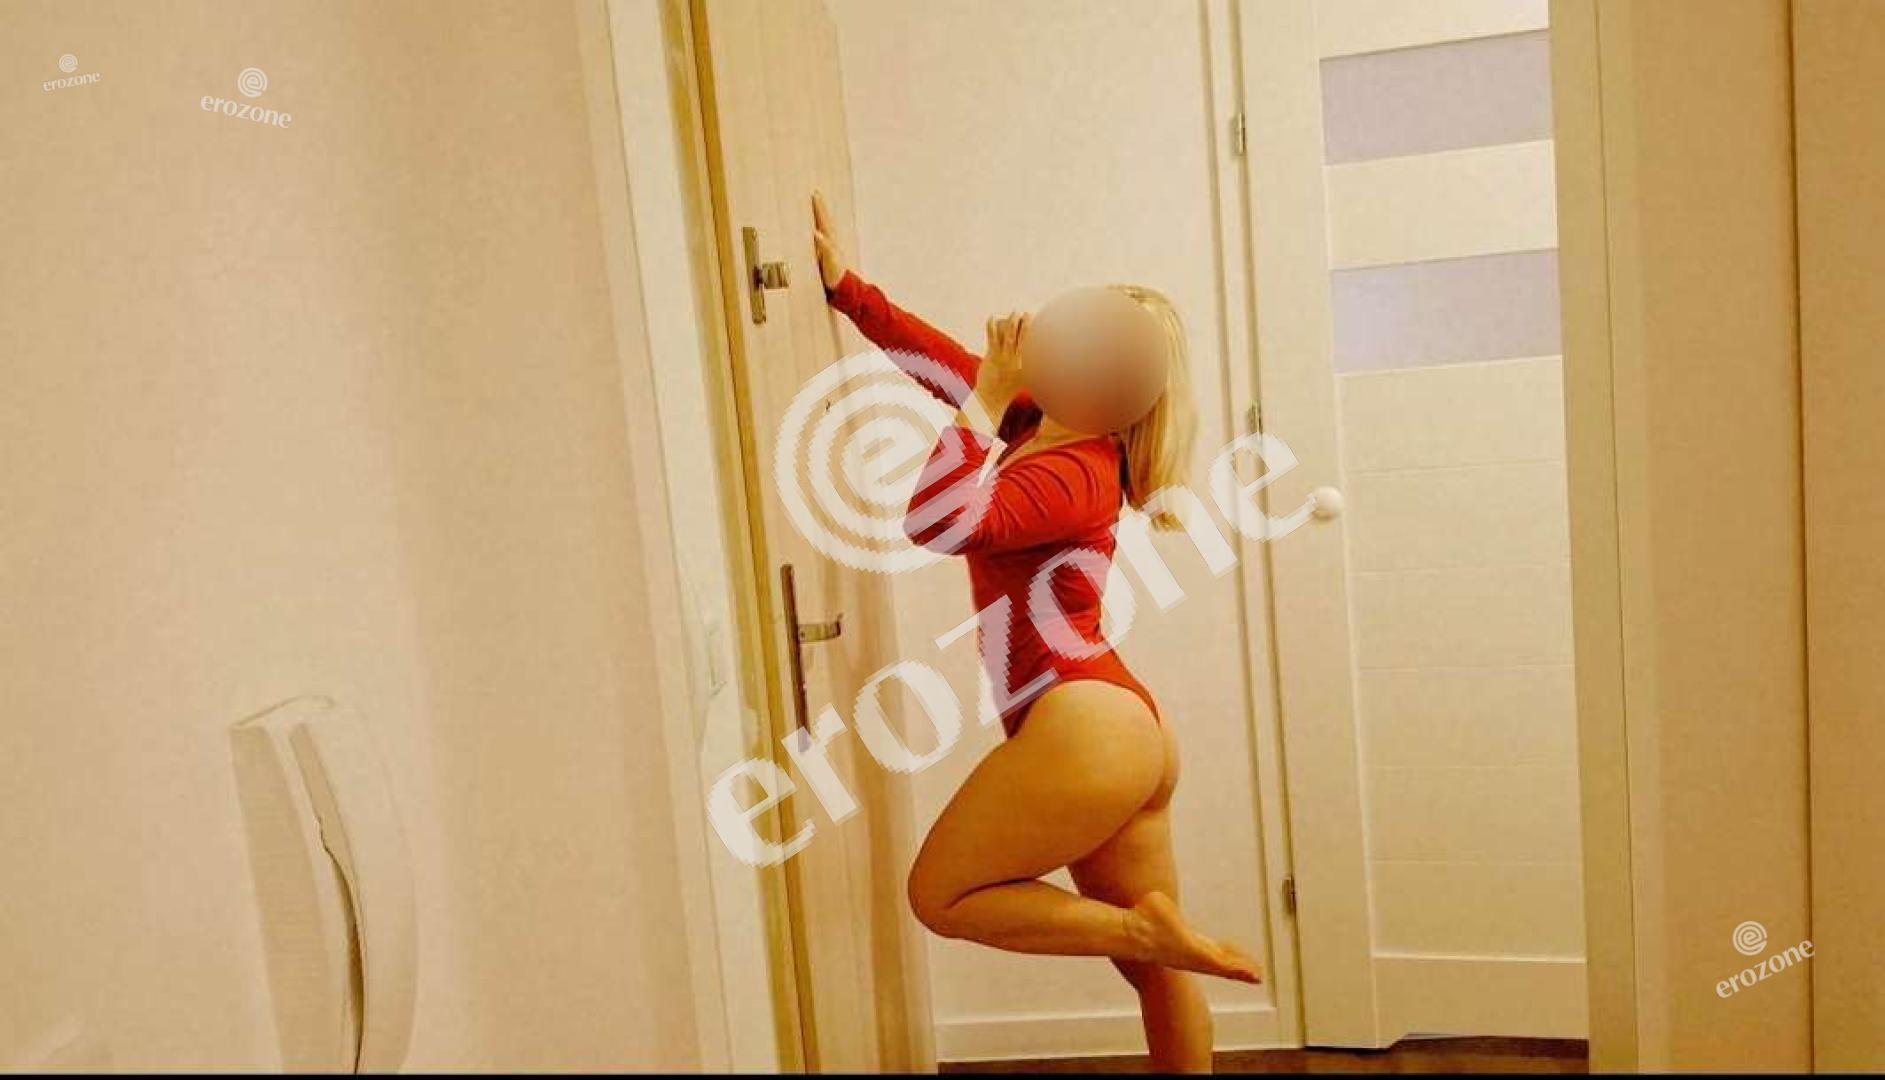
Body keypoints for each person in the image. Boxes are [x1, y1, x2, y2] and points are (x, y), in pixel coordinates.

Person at [812, 193, 1260, 1073]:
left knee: (941, 896)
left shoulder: (1078, 473)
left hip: (1084, 719)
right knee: (1158, 971)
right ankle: (1151, 936)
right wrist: (845, 288)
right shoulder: (1029, 421)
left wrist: (982, 399)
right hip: (1113, 722)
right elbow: (934, 359)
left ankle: (1143, 929)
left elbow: (936, 521)